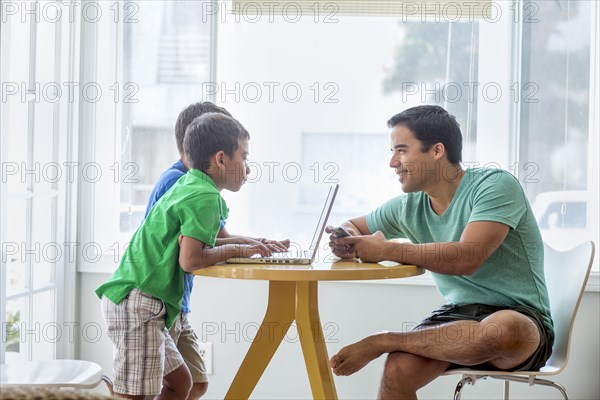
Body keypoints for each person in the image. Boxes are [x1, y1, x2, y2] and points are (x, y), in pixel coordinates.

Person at [327, 105, 553, 400]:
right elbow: (353, 225)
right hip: (456, 319)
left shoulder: (494, 185)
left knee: (502, 330)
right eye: (392, 152)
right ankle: (389, 344)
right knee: (398, 370)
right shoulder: (408, 206)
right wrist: (347, 240)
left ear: (436, 150)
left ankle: (383, 340)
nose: (393, 162)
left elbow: (467, 257)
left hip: (520, 319)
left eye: (401, 150)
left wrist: (388, 249)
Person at [96, 113, 277, 399]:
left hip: (142, 301)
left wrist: (255, 243)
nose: (248, 169)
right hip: (138, 303)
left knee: (182, 383)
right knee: (134, 395)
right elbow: (190, 260)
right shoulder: (205, 197)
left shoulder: (192, 184)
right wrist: (241, 249)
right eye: (244, 158)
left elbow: (208, 239)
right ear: (221, 159)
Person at [143, 102, 289, 399]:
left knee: (195, 383)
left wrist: (256, 244)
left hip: (175, 300)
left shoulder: (202, 188)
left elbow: (218, 237)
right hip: (158, 298)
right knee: (167, 384)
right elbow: (194, 253)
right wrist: (244, 247)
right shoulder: (183, 184)